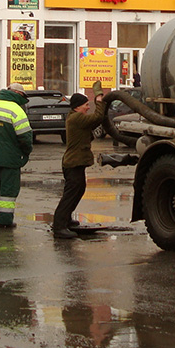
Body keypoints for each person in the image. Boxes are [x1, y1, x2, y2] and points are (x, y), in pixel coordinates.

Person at [52, 90, 106, 239]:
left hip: (75, 162)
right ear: (77, 107)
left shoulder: (75, 117)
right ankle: (59, 226)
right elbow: (98, 118)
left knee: (78, 190)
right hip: (73, 163)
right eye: (86, 105)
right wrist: (99, 100)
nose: (88, 108)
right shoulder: (76, 118)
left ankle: (66, 220)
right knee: (71, 194)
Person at [0, 83, 33, 227]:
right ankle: (4, 221)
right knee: (8, 191)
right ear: (19, 94)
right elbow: (25, 137)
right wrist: (26, 152)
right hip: (9, 159)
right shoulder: (16, 110)